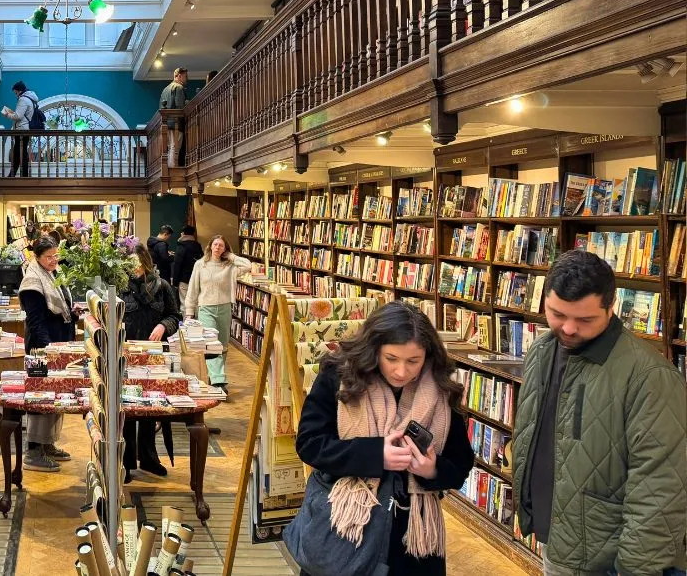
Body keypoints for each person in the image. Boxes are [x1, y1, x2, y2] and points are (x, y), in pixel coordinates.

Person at [511, 249, 687, 576]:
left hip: (608, 560)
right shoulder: (541, 350)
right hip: (559, 541)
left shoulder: (649, 377)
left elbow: (660, 488)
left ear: (611, 307)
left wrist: (634, 569)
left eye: (585, 319)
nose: (568, 328)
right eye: (556, 314)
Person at [291, 301, 474, 576]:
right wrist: (376, 455)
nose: (402, 371)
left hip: (411, 546)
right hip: (345, 537)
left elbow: (460, 464)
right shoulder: (340, 374)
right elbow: (309, 443)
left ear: (428, 355)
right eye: (391, 359)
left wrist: (432, 470)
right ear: (374, 348)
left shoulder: (441, 389)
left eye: (414, 361)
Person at [121, 244, 181, 482]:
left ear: (145, 262)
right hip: (125, 354)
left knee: (150, 406)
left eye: (137, 263)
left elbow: (175, 316)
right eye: (129, 264)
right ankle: (124, 462)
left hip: (154, 356)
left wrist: (163, 326)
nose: (134, 268)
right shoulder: (119, 286)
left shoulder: (162, 286)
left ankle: (148, 457)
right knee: (125, 408)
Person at [17, 238, 76, 472]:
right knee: (40, 396)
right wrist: (48, 350)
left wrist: (73, 313)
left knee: (55, 394)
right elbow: (36, 320)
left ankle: (47, 443)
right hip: (42, 347)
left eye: (56, 255)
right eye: (48, 257)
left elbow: (59, 305)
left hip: (56, 343)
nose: (54, 260)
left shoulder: (52, 273)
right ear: (37, 257)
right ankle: (33, 451)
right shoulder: (32, 281)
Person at [183, 235, 250, 392]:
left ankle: (215, 376)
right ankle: (219, 381)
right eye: (215, 244)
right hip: (206, 308)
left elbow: (248, 266)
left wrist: (231, 256)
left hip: (225, 308)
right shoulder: (201, 265)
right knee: (211, 344)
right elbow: (192, 289)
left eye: (221, 245)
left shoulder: (230, 267)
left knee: (222, 345)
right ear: (210, 246)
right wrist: (189, 312)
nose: (218, 247)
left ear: (225, 249)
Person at [2, 81, 39, 177]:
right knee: (19, 153)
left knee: (19, 153)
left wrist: (7, 114)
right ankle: (15, 175)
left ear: (19, 91)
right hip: (25, 129)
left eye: (16, 92)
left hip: (21, 130)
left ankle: (19, 175)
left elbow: (18, 116)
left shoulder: (23, 99)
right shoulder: (30, 99)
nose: (16, 95)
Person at [159, 67, 188, 166]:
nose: (186, 79)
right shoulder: (178, 87)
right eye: (185, 76)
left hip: (166, 123)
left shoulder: (165, 89)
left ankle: (169, 167)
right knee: (174, 147)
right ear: (179, 76)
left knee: (169, 146)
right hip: (176, 122)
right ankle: (173, 169)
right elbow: (180, 106)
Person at [171, 225, 204, 303]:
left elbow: (177, 264)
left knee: (185, 302)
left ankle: (187, 315)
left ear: (182, 234)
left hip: (184, 279)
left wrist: (175, 282)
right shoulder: (197, 245)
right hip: (197, 278)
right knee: (196, 302)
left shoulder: (181, 246)